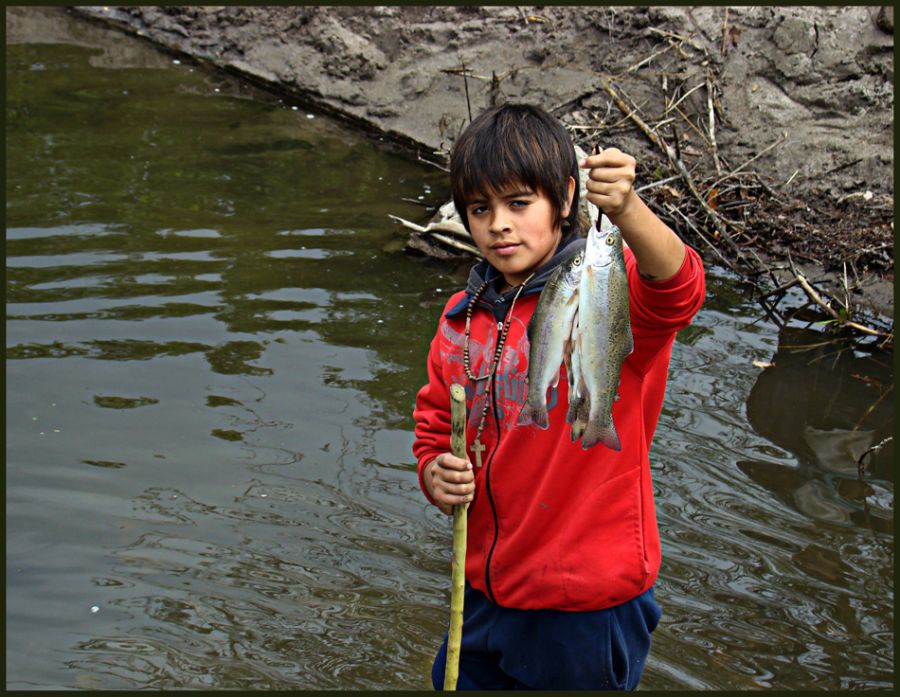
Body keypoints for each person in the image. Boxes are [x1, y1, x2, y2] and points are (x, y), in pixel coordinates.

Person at [412, 103, 705, 690]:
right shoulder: (458, 318)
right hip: (481, 593)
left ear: (565, 200)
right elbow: (435, 422)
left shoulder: (608, 288)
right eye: (479, 209)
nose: (499, 224)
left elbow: (678, 289)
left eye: (519, 204)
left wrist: (627, 209)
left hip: (584, 609)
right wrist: (434, 472)